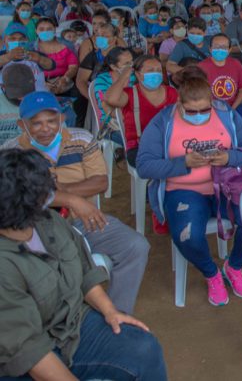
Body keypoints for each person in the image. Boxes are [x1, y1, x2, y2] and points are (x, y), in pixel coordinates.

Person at [0, 148, 167, 380]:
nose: (53, 190)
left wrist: (110, 311)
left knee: (144, 349)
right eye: (46, 186)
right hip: (29, 356)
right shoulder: (4, 265)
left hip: (72, 324)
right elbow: (29, 352)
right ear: (28, 201)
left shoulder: (49, 221)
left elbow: (84, 270)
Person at [2, 91, 150, 313]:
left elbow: (100, 182)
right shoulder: (11, 152)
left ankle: (117, 314)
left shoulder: (81, 139)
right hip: (34, 228)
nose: (46, 128)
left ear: (62, 118)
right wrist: (71, 199)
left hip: (85, 220)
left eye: (52, 121)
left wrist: (57, 191)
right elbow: (15, 197)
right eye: (36, 123)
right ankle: (57, 321)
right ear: (22, 125)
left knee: (136, 246)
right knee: (40, 266)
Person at [136, 72, 242, 307]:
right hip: (183, 190)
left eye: (204, 110)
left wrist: (229, 157)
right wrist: (182, 162)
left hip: (225, 185)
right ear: (179, 103)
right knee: (188, 236)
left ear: (212, 102)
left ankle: (233, 267)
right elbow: (144, 166)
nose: (199, 116)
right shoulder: (163, 122)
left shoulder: (225, 114)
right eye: (191, 111)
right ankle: (211, 273)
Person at [104, 54, 178, 167]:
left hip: (168, 143)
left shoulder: (171, 92)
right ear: (138, 74)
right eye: (150, 70)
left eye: (159, 70)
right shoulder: (130, 94)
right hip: (139, 148)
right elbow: (110, 99)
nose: (156, 73)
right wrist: (123, 76)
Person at [197, 33, 242, 127]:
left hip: (234, 105)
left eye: (224, 47)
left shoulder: (236, 64)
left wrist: (232, 108)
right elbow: (197, 93)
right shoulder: (201, 67)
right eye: (216, 46)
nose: (220, 49)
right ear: (210, 49)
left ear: (229, 50)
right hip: (209, 108)